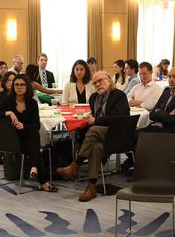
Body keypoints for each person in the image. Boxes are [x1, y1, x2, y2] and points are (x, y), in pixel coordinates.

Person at [55, 71, 130, 201]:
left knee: (94, 129)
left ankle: (75, 165)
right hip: (102, 135)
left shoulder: (119, 96)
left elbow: (118, 119)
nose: (97, 85)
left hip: (117, 133)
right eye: (94, 83)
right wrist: (91, 119)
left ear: (109, 80)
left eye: (100, 81)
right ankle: (91, 187)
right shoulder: (93, 98)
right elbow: (96, 117)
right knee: (96, 148)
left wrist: (96, 120)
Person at [0, 75, 55, 192]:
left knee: (33, 135)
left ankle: (35, 170)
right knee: (34, 140)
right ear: (13, 87)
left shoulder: (32, 103)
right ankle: (40, 176)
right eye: (16, 84)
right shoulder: (8, 100)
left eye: (22, 84)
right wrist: (8, 113)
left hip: (27, 138)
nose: (19, 87)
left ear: (27, 87)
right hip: (12, 139)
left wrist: (23, 126)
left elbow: (36, 125)